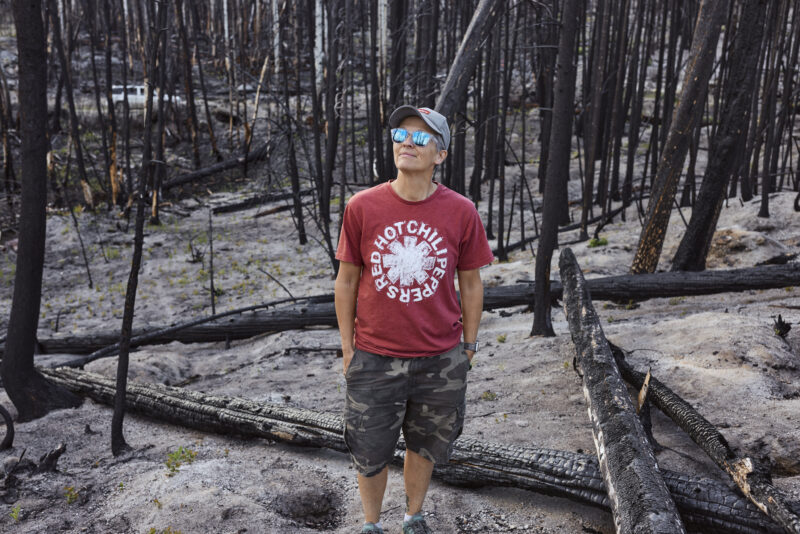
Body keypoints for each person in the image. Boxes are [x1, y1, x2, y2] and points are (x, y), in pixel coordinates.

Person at [334, 105, 494, 534]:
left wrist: (470, 346)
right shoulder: (362, 206)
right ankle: (371, 524)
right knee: (370, 450)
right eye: (401, 134)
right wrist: (349, 348)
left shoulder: (461, 211)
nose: (408, 142)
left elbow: (472, 283)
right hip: (374, 356)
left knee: (425, 446)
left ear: (440, 154)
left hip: (441, 358)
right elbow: (346, 281)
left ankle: (413, 517)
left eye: (421, 137)